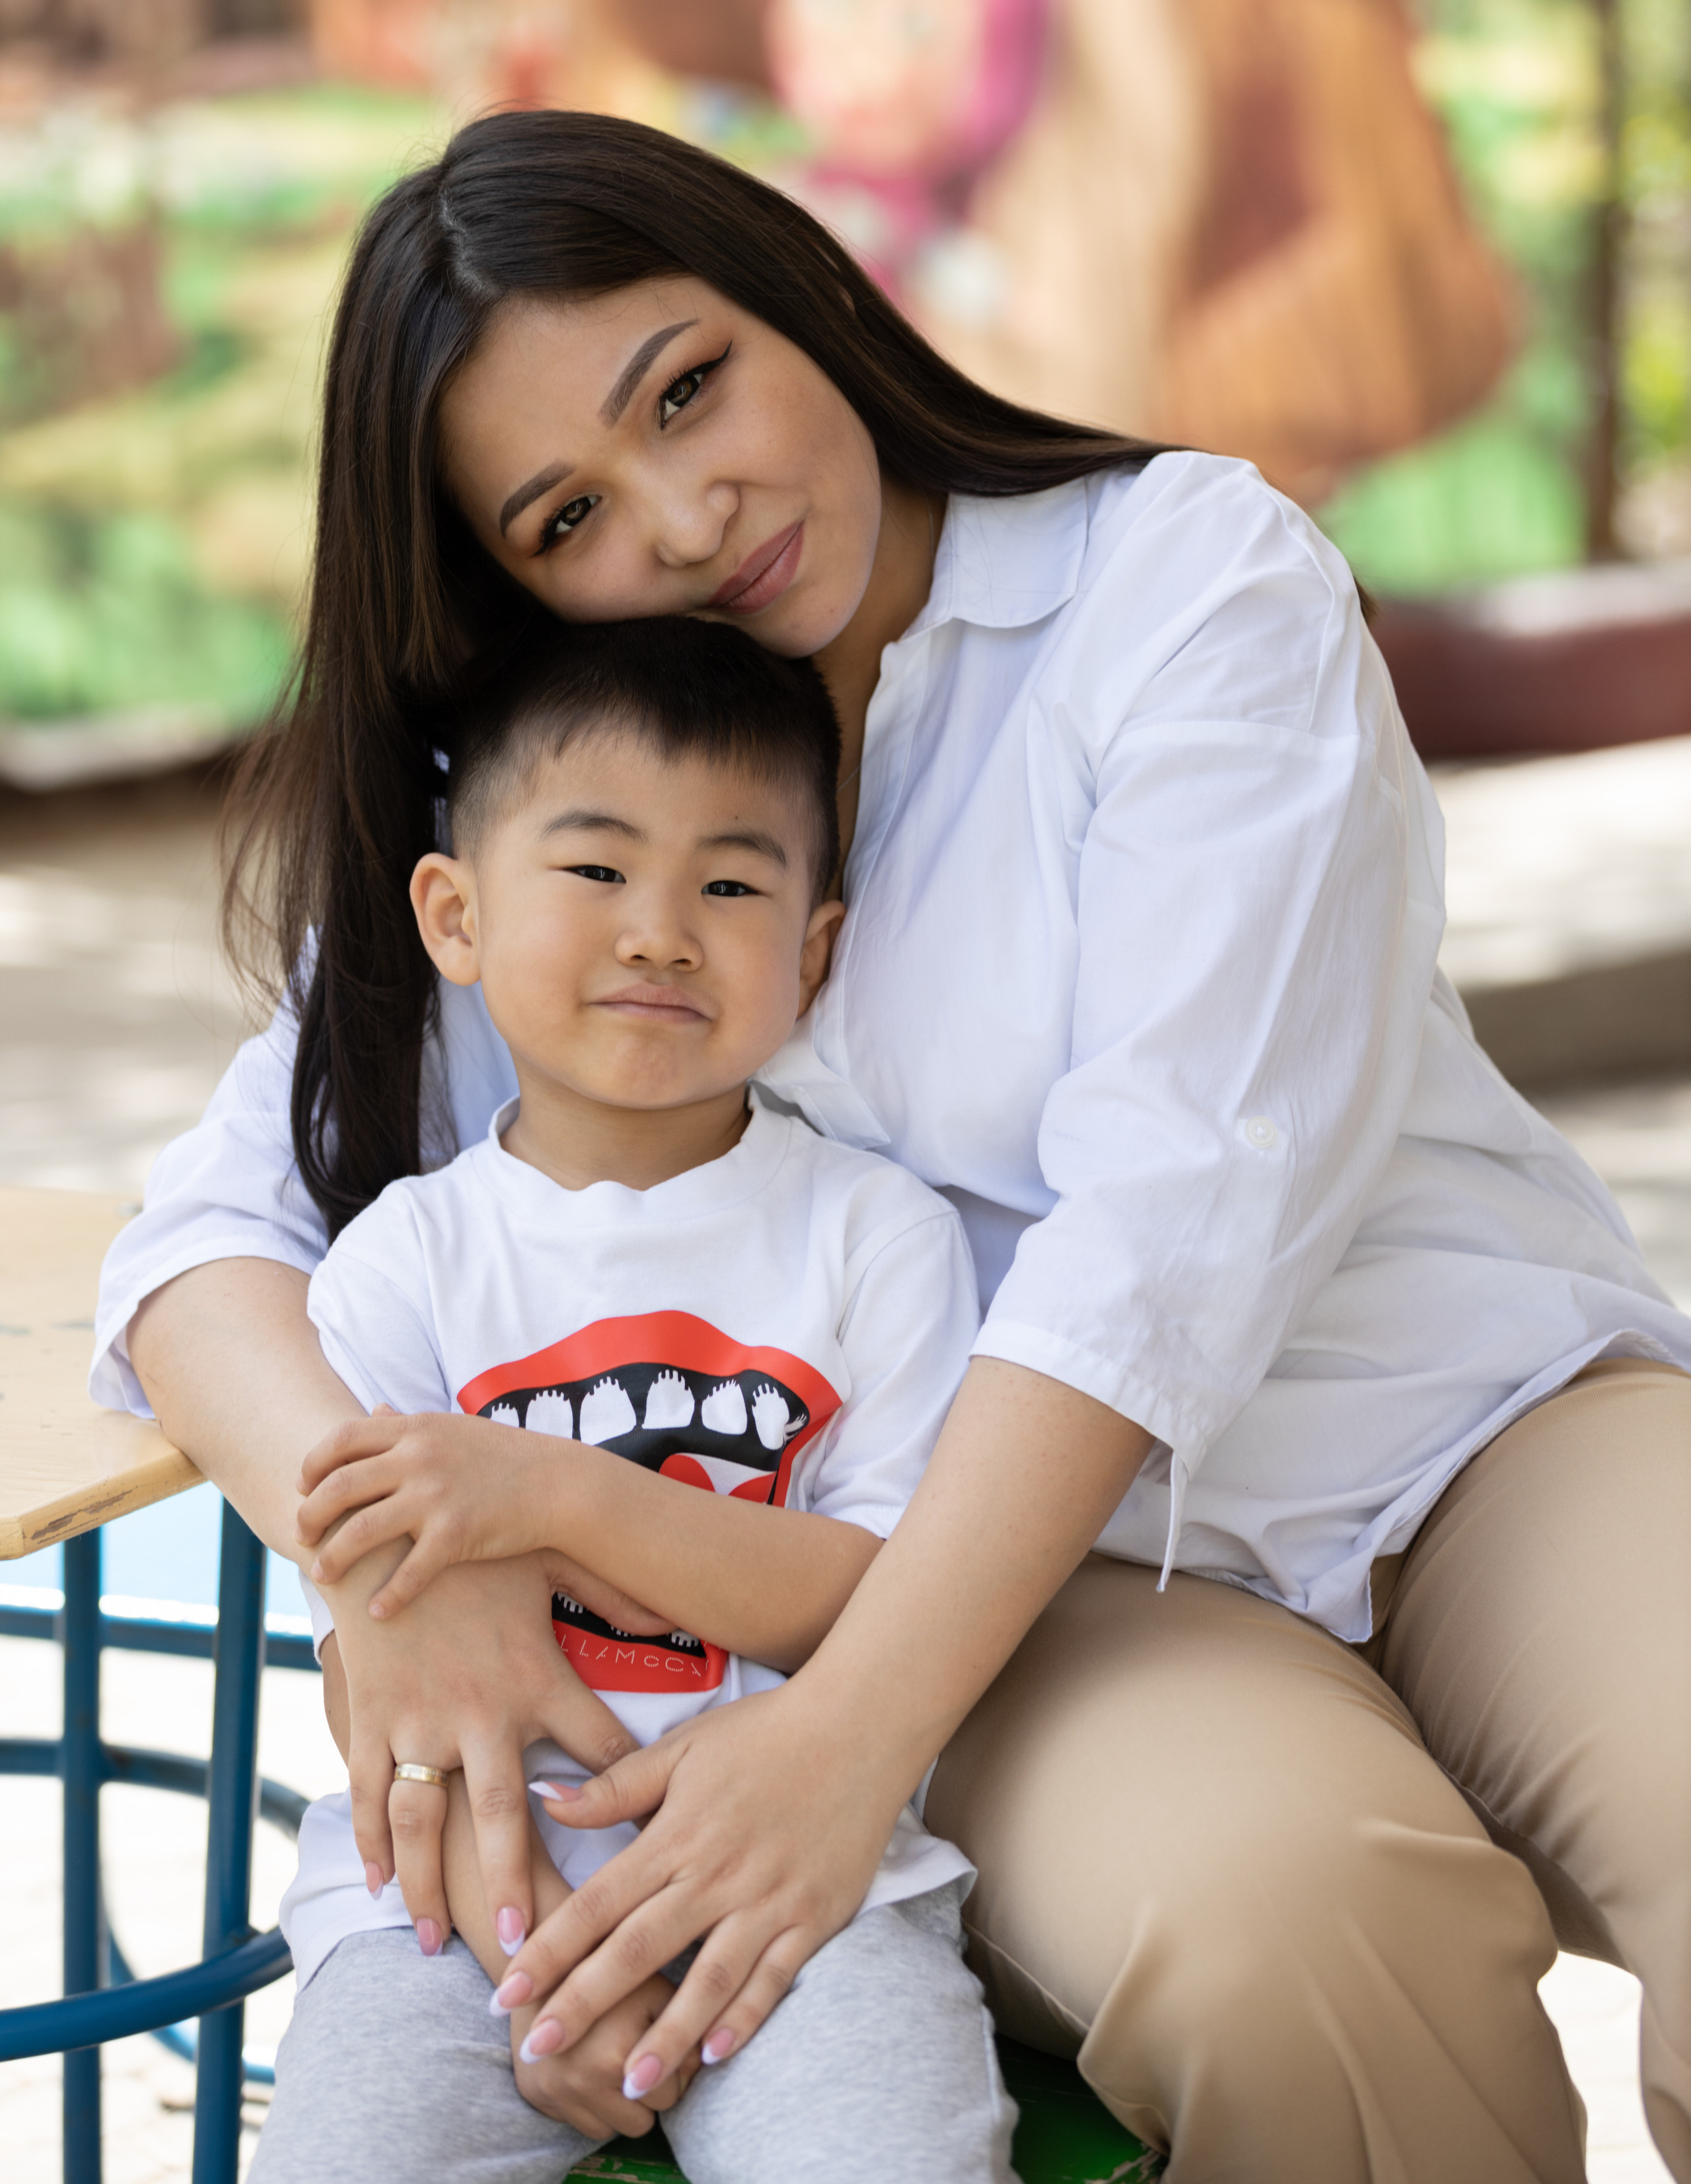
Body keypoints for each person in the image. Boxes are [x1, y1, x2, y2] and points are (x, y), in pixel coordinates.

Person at [94, 110, 1691, 2184]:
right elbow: (207, 1247)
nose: (686, 518)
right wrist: (396, 1575)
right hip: (1019, 1585)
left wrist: (844, 1747)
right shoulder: (571, 810)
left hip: (1473, 1427)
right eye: (570, 513)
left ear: (808, 294)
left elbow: (1170, 1219)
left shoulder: (1183, 580)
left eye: (690, 389)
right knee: (1291, 1935)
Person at [252, 614, 1012, 2181]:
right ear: (455, 915)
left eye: (730, 887)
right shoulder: (399, 1268)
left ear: (811, 953)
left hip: (801, 1894)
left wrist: (554, 1495)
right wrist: (537, 1955)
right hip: (454, 1914)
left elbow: (867, 1607)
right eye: (596, 869)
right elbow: (367, 1670)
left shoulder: (876, 1239)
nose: (660, 932)